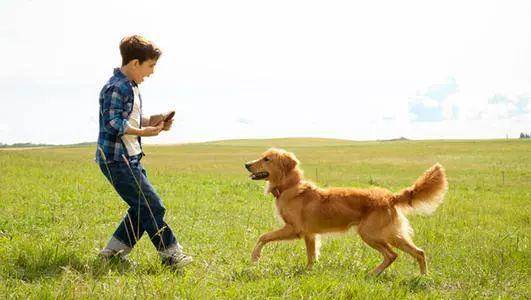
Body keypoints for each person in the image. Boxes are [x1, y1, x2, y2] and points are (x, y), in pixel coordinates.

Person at [95, 35, 192, 269]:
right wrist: (145, 132)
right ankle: (171, 255)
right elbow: (113, 123)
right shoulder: (116, 87)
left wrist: (155, 121)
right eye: (150, 66)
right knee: (152, 206)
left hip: (130, 158)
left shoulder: (131, 86)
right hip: (116, 160)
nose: (151, 72)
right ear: (135, 63)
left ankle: (112, 254)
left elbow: (131, 119)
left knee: (142, 206)